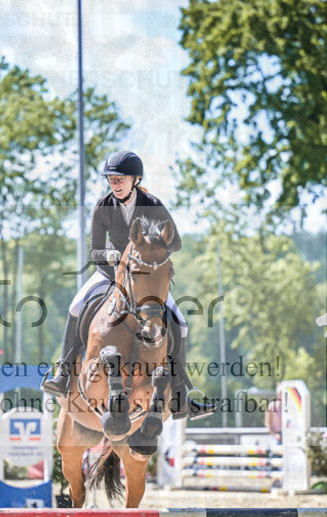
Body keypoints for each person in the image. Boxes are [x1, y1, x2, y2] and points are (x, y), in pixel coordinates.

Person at [41, 150, 213, 419]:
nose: (115, 183)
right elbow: (95, 249)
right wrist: (109, 255)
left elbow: (175, 242)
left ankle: (180, 393)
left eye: (121, 179)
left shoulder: (152, 204)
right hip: (111, 274)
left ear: (136, 179)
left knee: (180, 323)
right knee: (76, 306)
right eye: (111, 179)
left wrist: (153, 241)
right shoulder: (103, 206)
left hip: (146, 277)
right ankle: (63, 372)